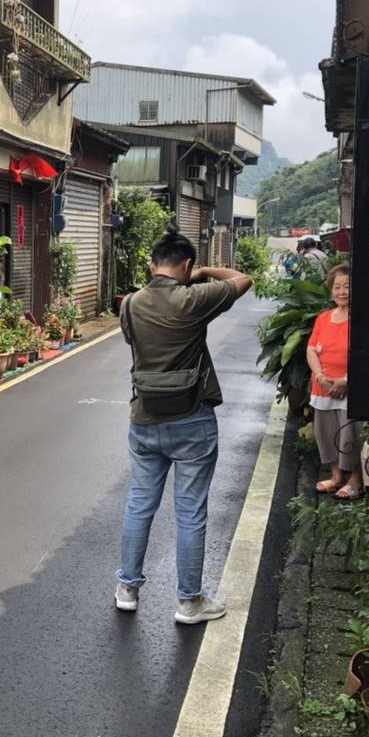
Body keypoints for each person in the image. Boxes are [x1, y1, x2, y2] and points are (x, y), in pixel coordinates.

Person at [116, 224, 254, 624]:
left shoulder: (130, 304)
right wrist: (206, 272)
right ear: (187, 264)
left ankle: (127, 587)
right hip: (191, 420)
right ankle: (189, 602)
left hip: (144, 418)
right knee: (190, 511)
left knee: (140, 504)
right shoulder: (194, 299)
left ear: (151, 264)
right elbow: (243, 280)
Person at [307, 264, 363, 500]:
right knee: (327, 433)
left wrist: (345, 381)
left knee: (351, 435)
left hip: (350, 389)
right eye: (337, 287)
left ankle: (356, 481)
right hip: (323, 387)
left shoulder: (362, 319)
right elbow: (311, 349)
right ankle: (336, 476)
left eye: (347, 287)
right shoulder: (323, 318)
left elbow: (365, 352)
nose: (342, 292)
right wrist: (321, 376)